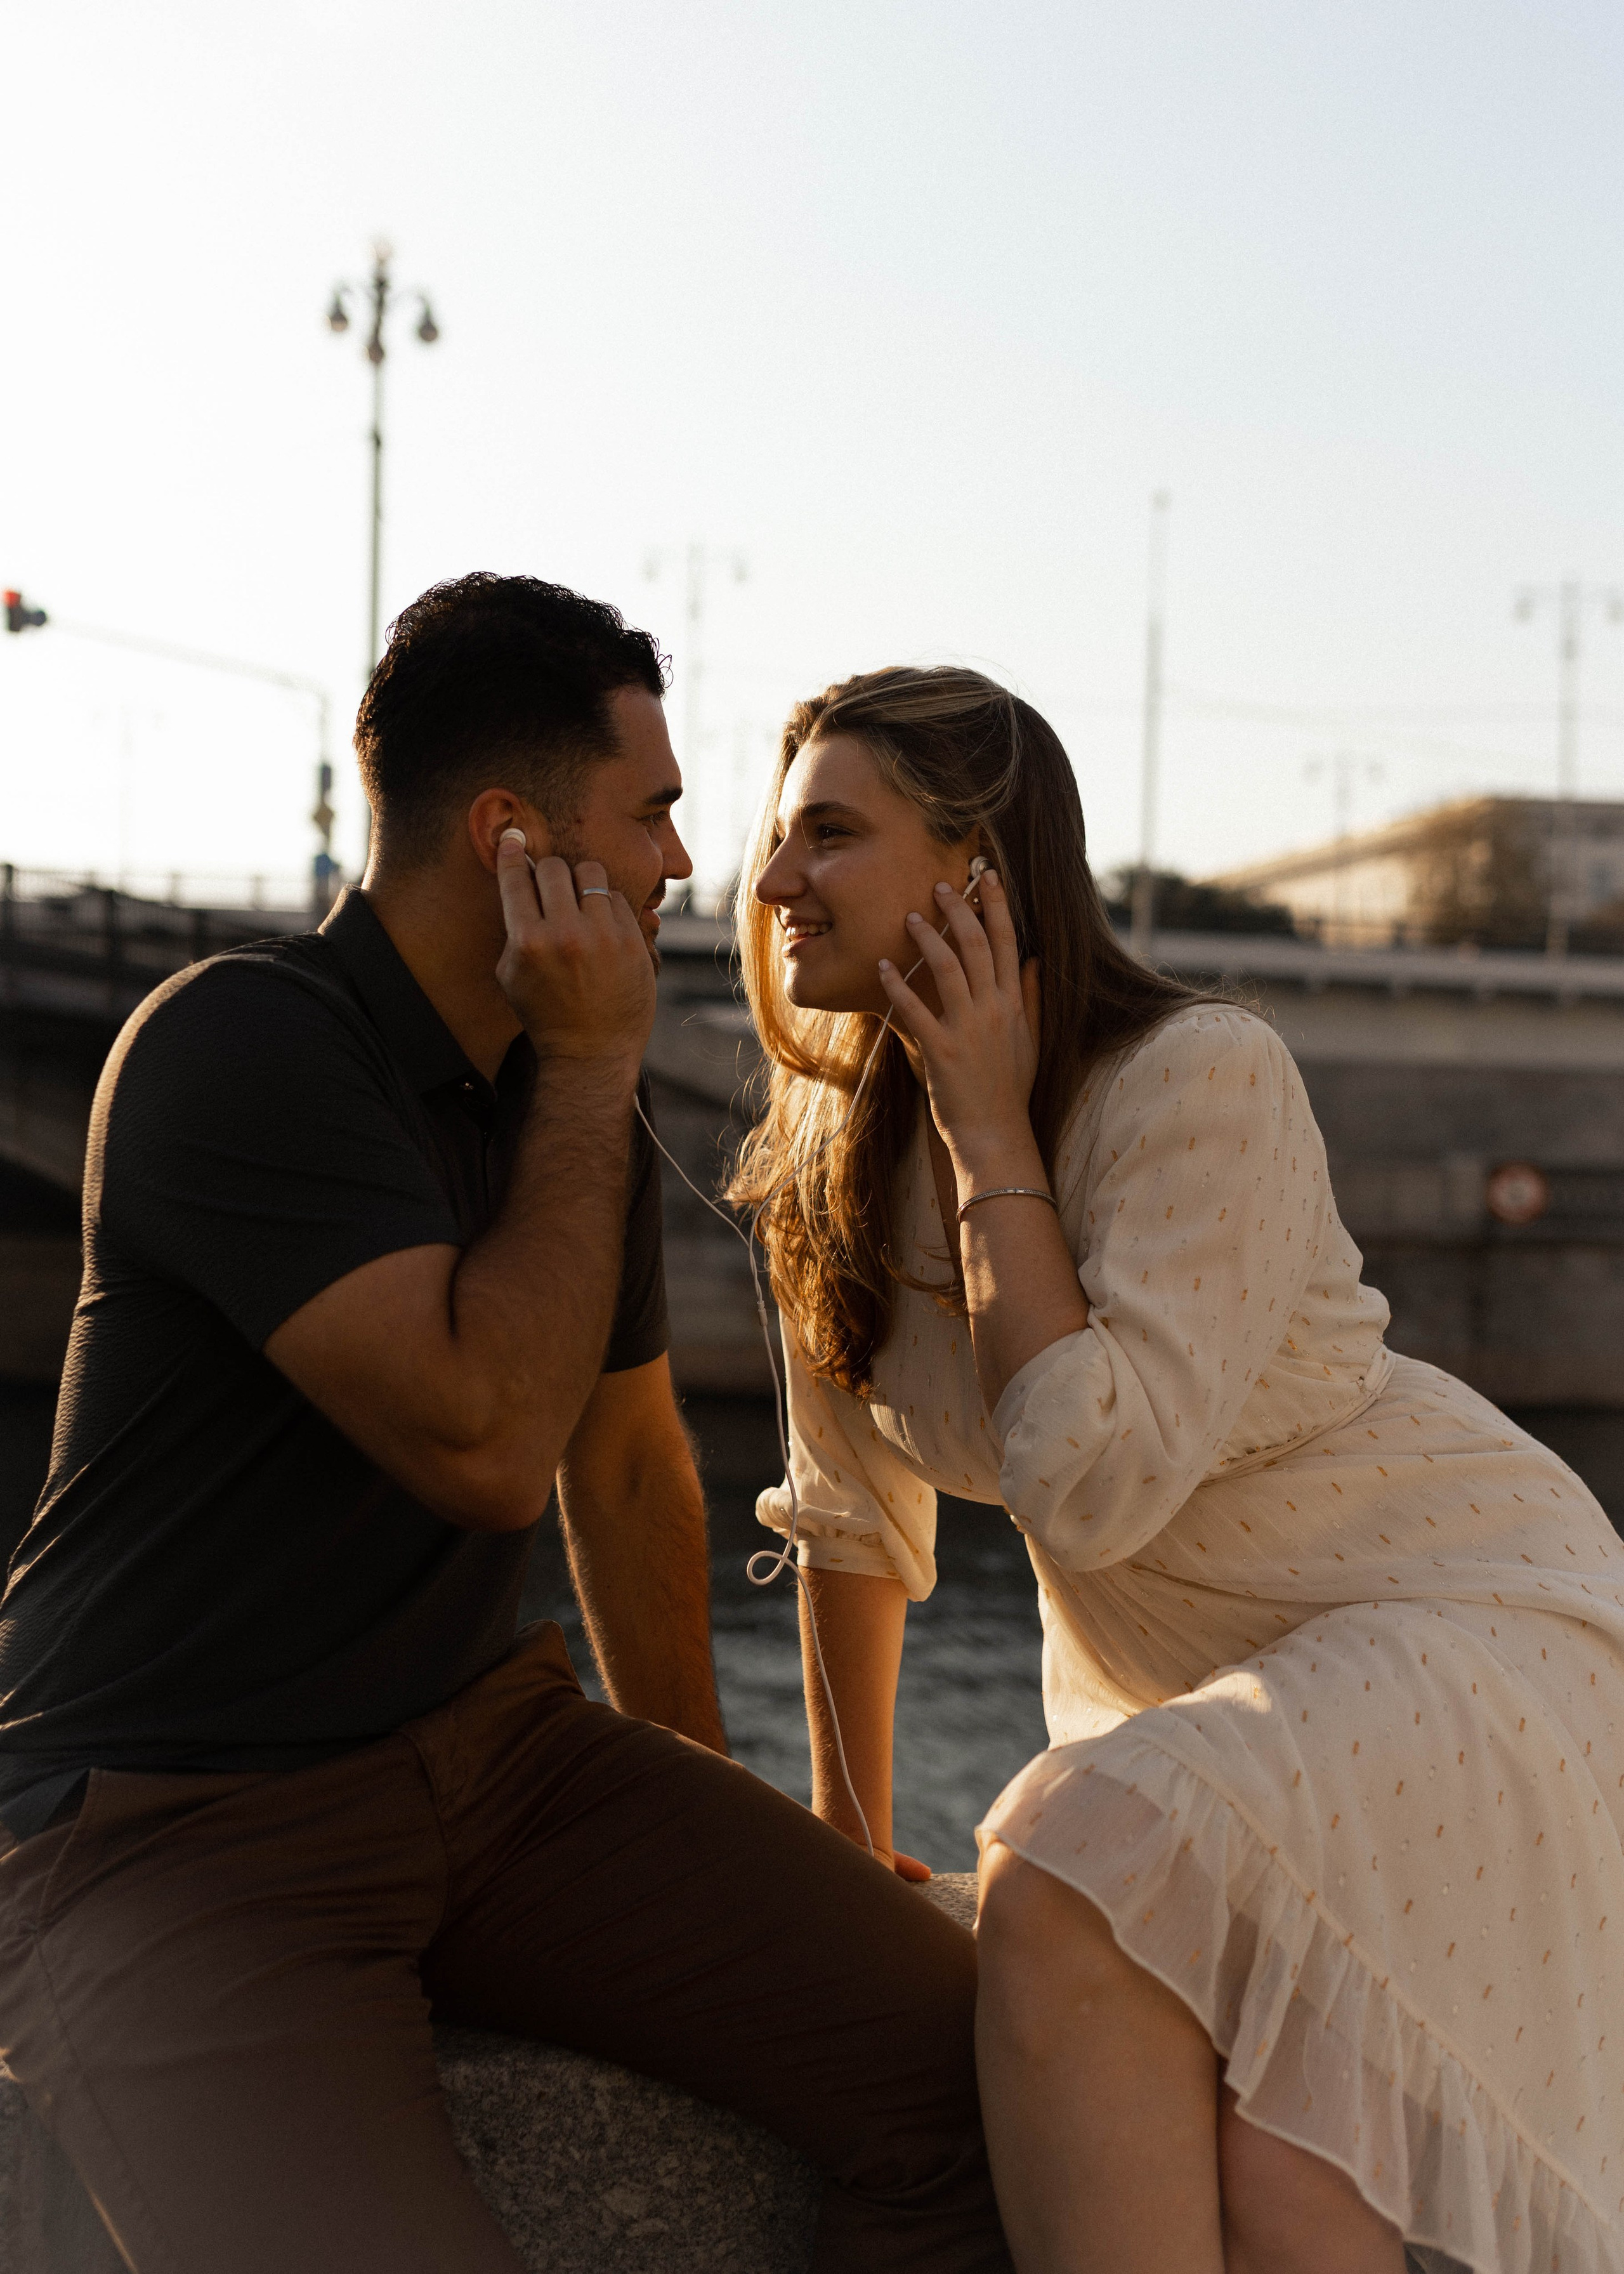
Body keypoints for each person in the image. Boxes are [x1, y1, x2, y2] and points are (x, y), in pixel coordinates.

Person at [0, 579, 1013, 2274]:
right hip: (173, 1833)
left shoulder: (549, 1088)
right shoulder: (237, 1045)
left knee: (975, 2071)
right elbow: (483, 1444)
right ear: (511, 841)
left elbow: (623, 1472)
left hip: (491, 1759)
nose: (687, 867)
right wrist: (602, 1069)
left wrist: (705, 1836)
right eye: (656, 814)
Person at [731, 662, 1624, 2274]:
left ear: (976, 880)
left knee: (1061, 1850)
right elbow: (850, 1523)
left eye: (830, 835)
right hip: (1237, 1710)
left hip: (1465, 1621)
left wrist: (994, 1140)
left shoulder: (1196, 1080)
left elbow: (1088, 1482)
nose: (774, 877)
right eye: (777, 836)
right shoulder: (824, 1160)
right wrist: (849, 1841)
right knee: (1291, 2185)